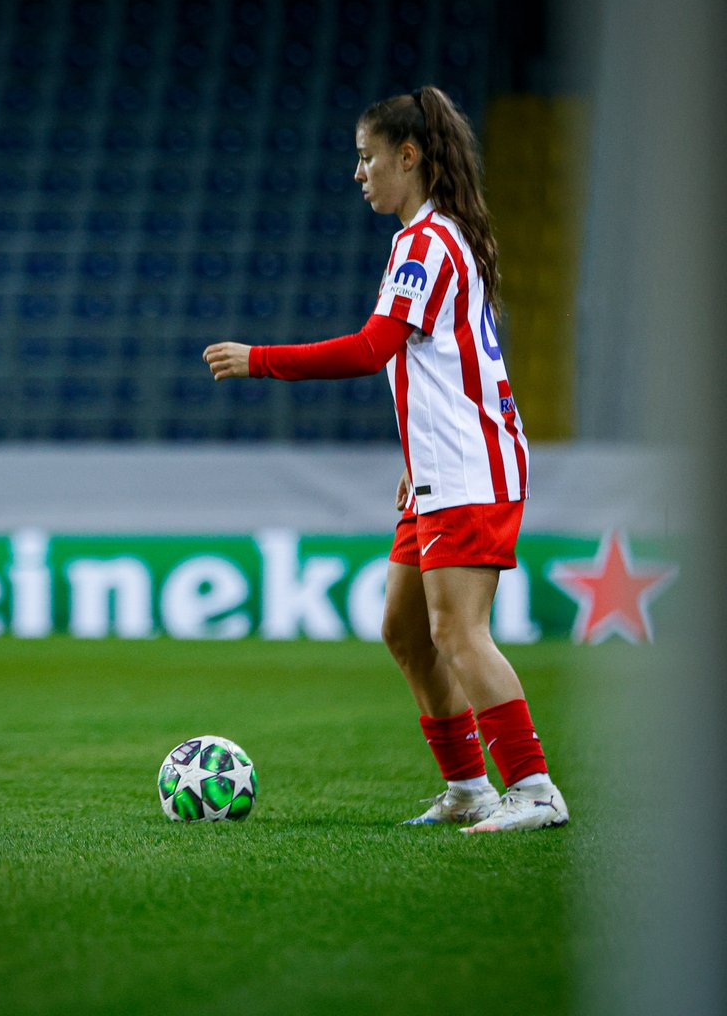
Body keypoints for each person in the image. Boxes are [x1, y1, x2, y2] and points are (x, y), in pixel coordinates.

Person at [203, 87, 568, 833]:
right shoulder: (430, 240)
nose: (359, 173)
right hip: (438, 469)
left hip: (468, 469)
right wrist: (417, 452)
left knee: (458, 634)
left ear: (410, 157)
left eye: (369, 158)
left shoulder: (427, 243)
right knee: (404, 630)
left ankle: (533, 789)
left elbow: (374, 349)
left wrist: (260, 360)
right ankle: (469, 787)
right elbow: (432, 364)